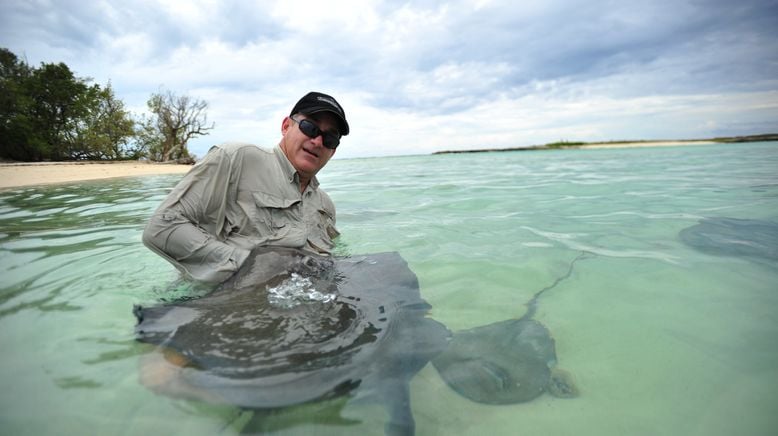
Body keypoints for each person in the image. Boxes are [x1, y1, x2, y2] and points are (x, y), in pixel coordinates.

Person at [142, 91, 350, 284]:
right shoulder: (236, 158)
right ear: (286, 126)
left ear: (332, 151)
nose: (317, 141)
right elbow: (161, 228)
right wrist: (254, 267)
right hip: (222, 307)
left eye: (330, 138)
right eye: (309, 127)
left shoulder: (325, 205)